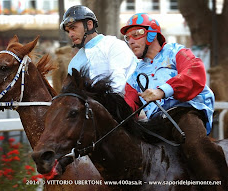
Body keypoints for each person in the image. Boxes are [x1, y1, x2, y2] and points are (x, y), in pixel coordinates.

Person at [121, 13, 228, 190]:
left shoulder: (176, 51)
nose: (130, 41)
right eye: (127, 37)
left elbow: (195, 73)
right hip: (156, 123)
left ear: (152, 34)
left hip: (186, 111)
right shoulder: (134, 75)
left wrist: (161, 91)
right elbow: (126, 107)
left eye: (136, 34)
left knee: (194, 145)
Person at [60, 5, 138, 93]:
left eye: (73, 28)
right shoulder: (74, 63)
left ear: (89, 25)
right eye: (68, 31)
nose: (70, 34)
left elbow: (119, 86)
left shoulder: (113, 45)